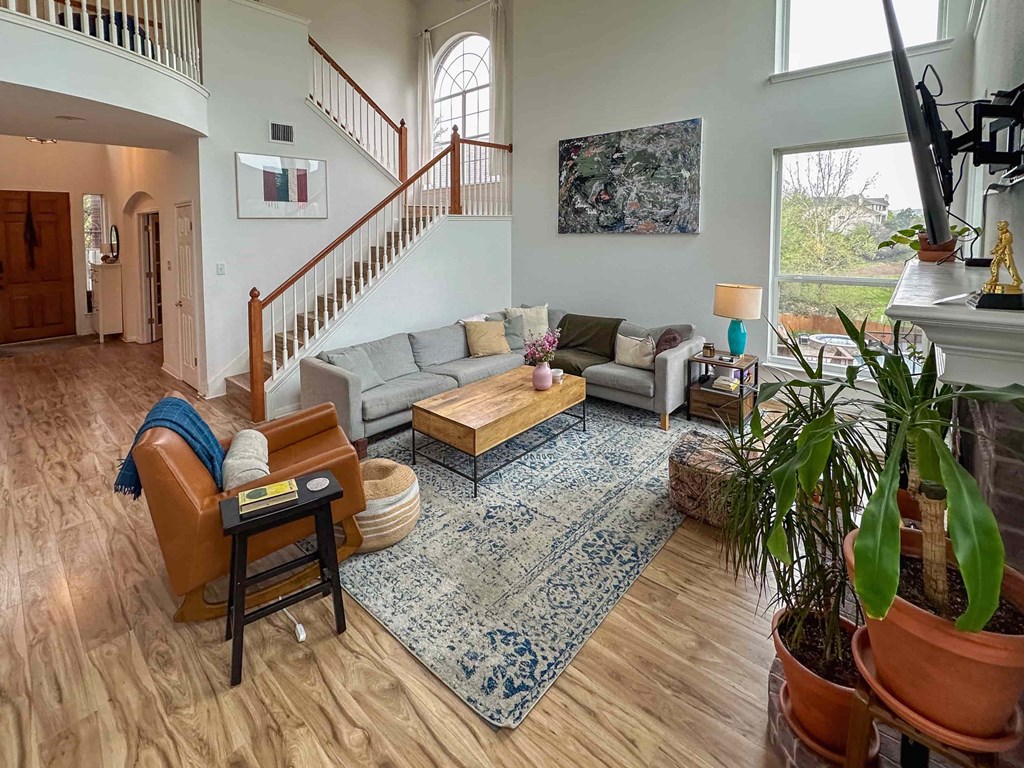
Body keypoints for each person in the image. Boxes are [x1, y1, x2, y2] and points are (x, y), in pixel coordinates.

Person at [986, 220, 1022, 294]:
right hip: (1000, 252)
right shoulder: (1001, 234)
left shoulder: (1008, 234)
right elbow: (999, 243)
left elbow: (1004, 244)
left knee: (1010, 267)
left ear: (1004, 226)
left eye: (1000, 225)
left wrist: (995, 250)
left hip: (1006, 252)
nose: (998, 227)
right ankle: (994, 279)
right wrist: (995, 249)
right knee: (994, 264)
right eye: (998, 225)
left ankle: (1017, 280)